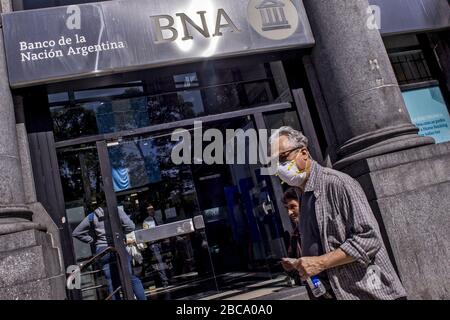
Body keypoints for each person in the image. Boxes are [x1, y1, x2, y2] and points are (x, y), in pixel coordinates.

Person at [269, 126, 407, 300]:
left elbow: (369, 238)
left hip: (367, 294)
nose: (280, 167)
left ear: (303, 152)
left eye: (283, 158)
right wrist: (301, 264)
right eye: (274, 163)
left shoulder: (337, 183)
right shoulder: (301, 195)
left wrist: (320, 263)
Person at [72, 196, 146, 300]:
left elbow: (76, 232)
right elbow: (131, 226)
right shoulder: (116, 211)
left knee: (112, 282)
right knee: (131, 278)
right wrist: (121, 234)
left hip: (103, 250)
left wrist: (92, 240)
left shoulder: (92, 216)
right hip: (118, 247)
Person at [142, 204, 169, 288]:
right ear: (147, 212)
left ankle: (168, 277)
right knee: (159, 261)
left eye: (152, 209)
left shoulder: (159, 218)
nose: (151, 211)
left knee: (165, 260)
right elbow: (146, 233)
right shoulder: (146, 221)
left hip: (162, 242)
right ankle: (164, 281)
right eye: (149, 210)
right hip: (154, 244)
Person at [281, 188, 303, 285]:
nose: (289, 213)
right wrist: (289, 268)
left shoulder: (320, 228)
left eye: (293, 207)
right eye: (287, 208)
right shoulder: (295, 235)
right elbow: (295, 273)